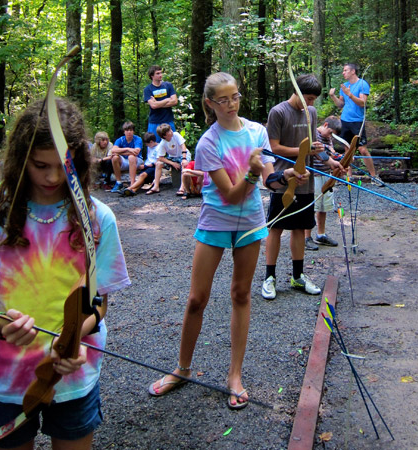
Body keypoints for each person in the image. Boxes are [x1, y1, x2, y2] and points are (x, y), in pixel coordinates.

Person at [147, 72, 309, 410]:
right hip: (216, 222)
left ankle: (235, 375)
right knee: (196, 299)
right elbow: (233, 195)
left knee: (240, 294)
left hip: (250, 224)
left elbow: (270, 180)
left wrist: (288, 175)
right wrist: (252, 172)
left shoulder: (257, 132)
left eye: (235, 96)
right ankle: (182, 368)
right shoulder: (209, 142)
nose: (231, 104)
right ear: (210, 103)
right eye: (223, 99)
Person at [0, 98, 130, 449]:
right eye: (41, 165)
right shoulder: (1, 215)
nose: (53, 177)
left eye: (64, 165)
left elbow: (99, 302)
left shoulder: (98, 219)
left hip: (74, 374)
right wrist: (0, 325)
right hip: (4, 378)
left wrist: (73, 337)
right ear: (21, 160)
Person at [261, 74, 328, 301]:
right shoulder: (278, 112)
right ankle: (269, 278)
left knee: (300, 228)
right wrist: (304, 152)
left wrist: (320, 152)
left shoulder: (311, 113)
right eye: (308, 98)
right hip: (283, 179)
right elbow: (273, 147)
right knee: (276, 228)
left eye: (313, 100)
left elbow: (312, 141)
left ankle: (298, 276)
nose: (311, 103)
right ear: (297, 92)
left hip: (305, 179)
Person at [329, 63, 381, 184]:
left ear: (353, 71)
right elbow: (341, 104)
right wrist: (333, 96)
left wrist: (350, 94)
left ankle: (374, 177)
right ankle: (348, 177)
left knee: (362, 149)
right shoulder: (345, 86)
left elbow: (362, 103)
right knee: (347, 149)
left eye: (345, 70)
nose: (343, 72)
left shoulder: (362, 84)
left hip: (357, 121)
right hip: (345, 120)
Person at [304, 116, 344, 250]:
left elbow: (330, 153)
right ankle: (306, 237)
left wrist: (339, 158)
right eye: (331, 132)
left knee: (323, 207)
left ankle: (321, 235)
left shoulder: (328, 138)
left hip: (326, 174)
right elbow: (317, 152)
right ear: (325, 125)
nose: (331, 135)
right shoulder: (314, 134)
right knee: (312, 206)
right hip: (314, 175)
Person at [146, 123, 190, 196]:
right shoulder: (163, 143)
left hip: (183, 155)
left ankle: (182, 187)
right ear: (164, 136)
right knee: (158, 164)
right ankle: (156, 186)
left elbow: (183, 145)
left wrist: (184, 158)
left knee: (183, 164)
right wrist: (172, 163)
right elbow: (160, 157)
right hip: (172, 158)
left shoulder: (176, 135)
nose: (171, 131)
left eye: (170, 130)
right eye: (169, 131)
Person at [143, 66, 178, 143]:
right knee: (154, 146)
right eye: (157, 73)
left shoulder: (168, 85)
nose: (160, 75)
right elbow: (153, 106)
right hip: (155, 122)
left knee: (173, 144)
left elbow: (175, 101)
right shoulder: (148, 89)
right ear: (152, 76)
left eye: (161, 73)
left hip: (168, 120)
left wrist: (158, 103)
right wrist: (167, 99)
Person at [119, 132, 158, 197]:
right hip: (146, 166)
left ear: (151, 142)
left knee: (142, 175)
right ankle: (132, 191)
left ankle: (129, 188)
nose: (147, 146)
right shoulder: (149, 147)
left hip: (153, 167)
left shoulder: (159, 147)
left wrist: (145, 166)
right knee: (141, 179)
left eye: (147, 144)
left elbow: (158, 161)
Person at [110, 121, 144, 192]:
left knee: (131, 157)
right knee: (115, 157)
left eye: (131, 130)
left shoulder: (138, 139)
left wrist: (120, 152)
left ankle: (132, 183)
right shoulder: (120, 140)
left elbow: (136, 152)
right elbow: (113, 150)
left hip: (137, 160)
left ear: (133, 131)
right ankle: (118, 182)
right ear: (124, 131)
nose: (129, 132)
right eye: (127, 130)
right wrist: (128, 149)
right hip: (124, 161)